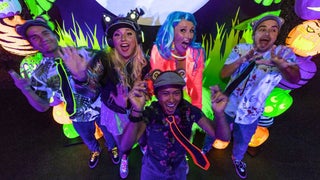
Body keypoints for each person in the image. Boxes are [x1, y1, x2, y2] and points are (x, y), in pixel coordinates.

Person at [8, 16, 119, 169]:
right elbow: (42, 107)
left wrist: (86, 73)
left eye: (45, 33)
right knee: (87, 138)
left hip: (102, 108)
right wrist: (25, 89)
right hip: (76, 115)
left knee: (109, 133)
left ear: (54, 34)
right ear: (31, 43)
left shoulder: (82, 53)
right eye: (35, 37)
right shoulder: (40, 74)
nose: (43, 38)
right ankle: (95, 151)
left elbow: (110, 71)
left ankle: (113, 148)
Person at [204, 15, 301, 179]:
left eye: (273, 30)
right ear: (255, 33)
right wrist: (243, 59)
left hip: (252, 111)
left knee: (243, 138)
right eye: (263, 29)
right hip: (228, 104)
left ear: (277, 34)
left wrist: (281, 64)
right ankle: (204, 149)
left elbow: (295, 78)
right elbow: (223, 74)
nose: (267, 33)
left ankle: (238, 158)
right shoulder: (241, 48)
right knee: (215, 129)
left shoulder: (283, 53)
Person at [71, 9, 150, 178]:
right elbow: (89, 91)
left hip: (138, 109)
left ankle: (145, 150)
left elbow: (149, 86)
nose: (123, 38)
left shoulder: (144, 61)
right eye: (117, 35)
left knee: (142, 134)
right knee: (123, 144)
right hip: (114, 112)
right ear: (111, 40)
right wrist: (80, 79)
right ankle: (124, 158)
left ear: (137, 38)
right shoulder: (103, 59)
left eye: (129, 33)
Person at [122, 71, 230, 180]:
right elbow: (124, 146)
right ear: (157, 95)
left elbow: (223, 137)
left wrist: (219, 113)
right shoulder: (151, 113)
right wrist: (136, 110)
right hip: (152, 170)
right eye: (165, 93)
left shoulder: (190, 111)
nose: (172, 99)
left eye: (176, 93)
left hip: (178, 170)